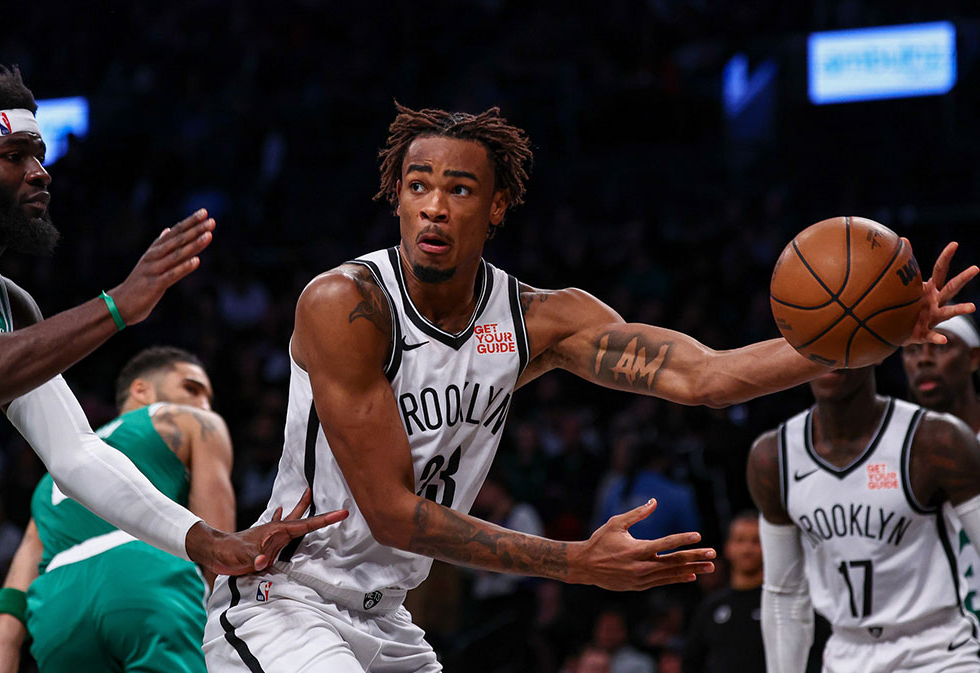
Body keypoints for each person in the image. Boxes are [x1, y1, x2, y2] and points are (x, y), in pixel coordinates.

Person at [202, 103, 976, 671]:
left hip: (387, 615)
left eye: (461, 189)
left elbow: (705, 377)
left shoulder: (540, 318)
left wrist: (869, 334)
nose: (435, 206)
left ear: (498, 204)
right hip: (287, 602)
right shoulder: (347, 305)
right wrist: (572, 561)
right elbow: (394, 513)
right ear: (396, 195)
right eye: (418, 185)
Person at [0, 62, 344, 672]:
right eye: (13, 155)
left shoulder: (10, 308)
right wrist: (115, 308)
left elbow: (77, 456)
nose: (39, 172)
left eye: (39, 155)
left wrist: (210, 543)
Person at [0, 346, 235, 673]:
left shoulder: (51, 479)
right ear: (141, 389)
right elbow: (216, 551)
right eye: (191, 388)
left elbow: (7, 616)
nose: (203, 403)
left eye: (207, 398)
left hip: (57, 607)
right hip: (147, 576)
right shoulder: (192, 421)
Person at [747, 365, 980, 672]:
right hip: (845, 653)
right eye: (818, 342)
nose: (830, 358)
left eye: (842, 339)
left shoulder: (936, 440)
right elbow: (784, 593)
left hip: (938, 650)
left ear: (876, 348)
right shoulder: (772, 457)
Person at [902, 313, 980, 620]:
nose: (924, 360)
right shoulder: (893, 451)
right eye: (912, 350)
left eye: (941, 346)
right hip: (931, 641)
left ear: (974, 357)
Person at [682, 511, 766, 673]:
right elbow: (692, 661)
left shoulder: (779, 603)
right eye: (740, 540)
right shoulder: (711, 606)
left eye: (756, 541)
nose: (747, 549)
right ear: (728, 547)